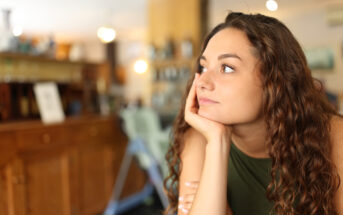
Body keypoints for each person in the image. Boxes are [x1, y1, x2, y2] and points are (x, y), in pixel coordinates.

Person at [163, 12, 343, 215]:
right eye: (203, 68)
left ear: (275, 81)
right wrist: (218, 142)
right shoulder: (199, 137)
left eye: (227, 68)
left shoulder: (333, 136)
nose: (202, 82)